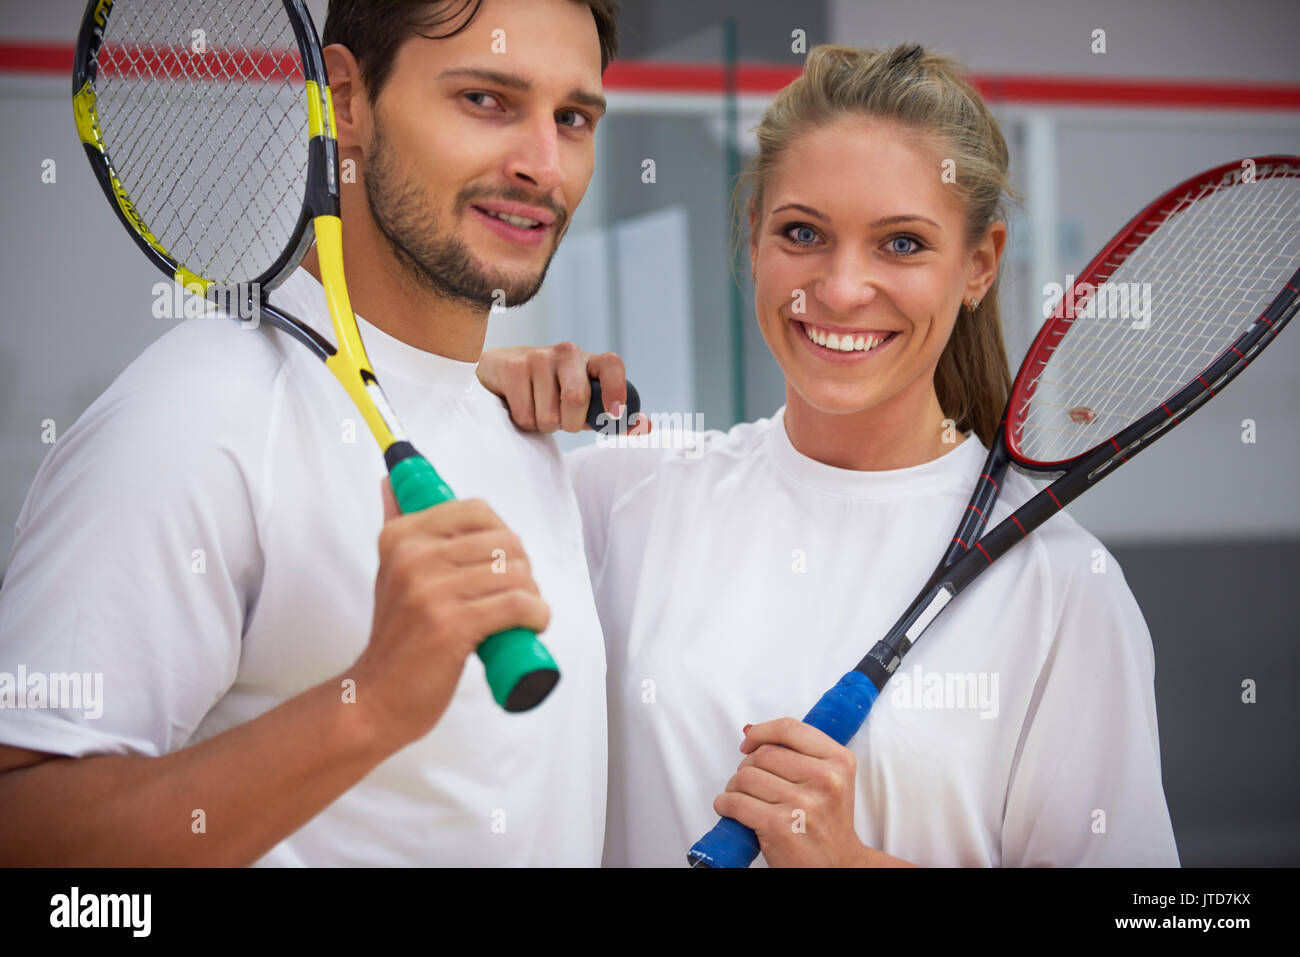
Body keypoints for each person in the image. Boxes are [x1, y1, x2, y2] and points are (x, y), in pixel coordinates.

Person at [477, 43, 1181, 867]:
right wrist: (467, 392)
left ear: (979, 265)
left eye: (903, 245)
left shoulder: (1060, 585)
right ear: (755, 237)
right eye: (804, 232)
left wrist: (853, 862)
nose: (842, 288)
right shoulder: (621, 495)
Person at [0, 0, 625, 866]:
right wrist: (367, 703)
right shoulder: (193, 416)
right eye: (485, 99)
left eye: (572, 118)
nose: (542, 165)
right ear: (344, 99)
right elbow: (26, 835)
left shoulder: (517, 419)